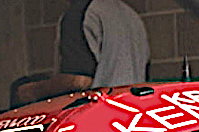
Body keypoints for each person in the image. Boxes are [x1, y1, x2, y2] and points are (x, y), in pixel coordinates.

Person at [16, 0, 149, 103]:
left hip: (97, 120)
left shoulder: (81, 13)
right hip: (132, 120)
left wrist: (32, 91)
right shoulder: (131, 16)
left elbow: (78, 81)